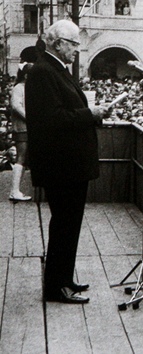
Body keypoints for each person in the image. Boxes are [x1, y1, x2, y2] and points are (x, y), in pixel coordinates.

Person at [26, 20, 110, 304]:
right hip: (61, 165)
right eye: (74, 43)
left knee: (69, 224)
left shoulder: (55, 70)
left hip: (68, 164)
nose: (77, 49)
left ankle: (63, 278)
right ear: (58, 42)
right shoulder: (43, 72)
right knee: (63, 224)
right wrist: (91, 113)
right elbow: (53, 120)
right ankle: (55, 287)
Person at [9, 62, 33, 201]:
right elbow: (16, 105)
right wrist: (30, 118)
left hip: (26, 126)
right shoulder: (19, 88)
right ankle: (14, 190)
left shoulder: (27, 87)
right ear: (26, 75)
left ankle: (16, 190)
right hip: (22, 126)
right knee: (21, 157)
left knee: (23, 158)